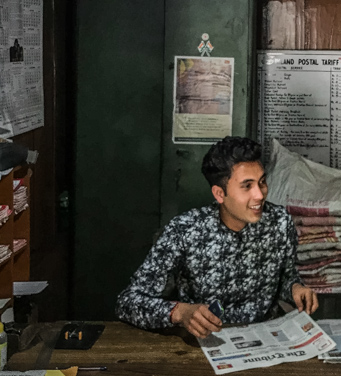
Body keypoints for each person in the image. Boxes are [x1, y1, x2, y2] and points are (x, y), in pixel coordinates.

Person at [116, 136, 318, 338]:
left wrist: (295, 288)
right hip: (204, 343)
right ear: (219, 194)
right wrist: (179, 312)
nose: (260, 195)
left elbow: (285, 276)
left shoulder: (280, 222)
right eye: (247, 186)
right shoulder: (185, 230)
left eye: (262, 182)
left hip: (265, 338)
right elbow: (127, 302)